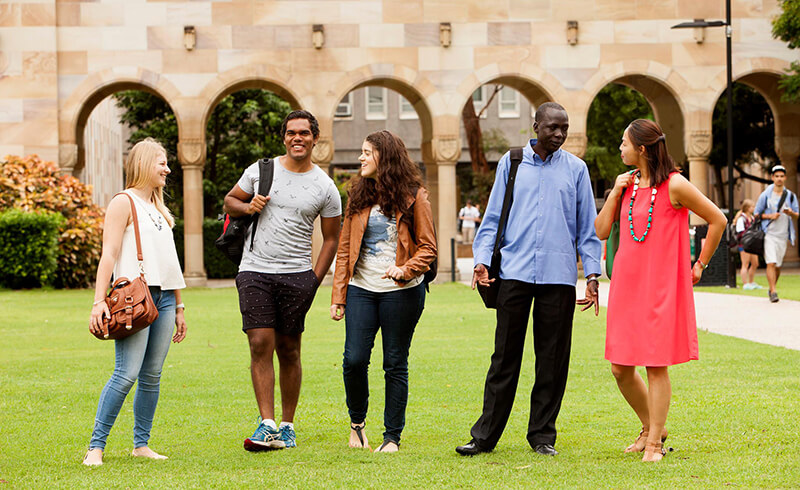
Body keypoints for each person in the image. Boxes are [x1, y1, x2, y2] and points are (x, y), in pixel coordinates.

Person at [456, 102, 602, 457]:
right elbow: (493, 217)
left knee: (552, 359)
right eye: (552, 127)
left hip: (559, 276)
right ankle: (484, 436)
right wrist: (481, 261)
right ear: (535, 125)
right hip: (514, 273)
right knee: (504, 357)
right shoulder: (513, 162)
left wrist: (594, 274)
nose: (559, 134)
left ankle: (542, 436)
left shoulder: (577, 169)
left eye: (564, 128)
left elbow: (588, 227)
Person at [595, 119, 726, 462]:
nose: (620, 149)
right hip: (626, 285)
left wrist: (700, 265)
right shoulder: (627, 184)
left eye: (624, 143)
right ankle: (650, 426)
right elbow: (601, 230)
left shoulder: (676, 184)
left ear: (641, 149)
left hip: (660, 287)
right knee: (620, 368)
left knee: (655, 364)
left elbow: (718, 220)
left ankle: (654, 443)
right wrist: (614, 192)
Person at [223, 110, 341, 451]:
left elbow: (332, 237)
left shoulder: (325, 186)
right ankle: (267, 424)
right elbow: (231, 200)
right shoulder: (261, 171)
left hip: (297, 276)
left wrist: (314, 281)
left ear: (315, 138)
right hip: (255, 270)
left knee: (289, 349)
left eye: (304, 133)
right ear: (284, 138)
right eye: (291, 133)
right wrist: (248, 207)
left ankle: (287, 426)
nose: (297, 139)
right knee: (260, 342)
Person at [330, 130, 436, 453]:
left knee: (394, 362)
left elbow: (428, 248)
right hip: (362, 287)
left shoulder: (415, 196)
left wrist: (405, 269)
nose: (360, 158)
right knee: (354, 359)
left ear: (384, 158)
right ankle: (357, 425)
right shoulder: (358, 195)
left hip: (402, 292)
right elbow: (345, 247)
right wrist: (338, 295)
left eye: (366, 152)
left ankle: (392, 437)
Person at [84, 138, 187, 466]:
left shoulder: (160, 208)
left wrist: (180, 307)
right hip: (133, 299)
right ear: (144, 164)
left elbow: (171, 262)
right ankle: (95, 448)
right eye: (162, 163)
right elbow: (109, 255)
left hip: (165, 299)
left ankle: (141, 444)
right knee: (126, 373)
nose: (167, 169)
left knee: (152, 374)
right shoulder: (123, 202)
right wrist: (99, 301)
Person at [754, 165, 799, 303]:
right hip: (769, 234)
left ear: (784, 178)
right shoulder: (765, 195)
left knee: (778, 265)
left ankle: (771, 287)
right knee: (771, 263)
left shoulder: (790, 196)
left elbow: (797, 215)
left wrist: (791, 213)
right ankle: (773, 291)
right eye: (776, 176)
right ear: (772, 178)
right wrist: (770, 216)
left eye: (781, 176)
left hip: (783, 235)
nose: (779, 179)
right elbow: (756, 214)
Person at [734, 199, 760, 290]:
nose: (754, 208)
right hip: (744, 245)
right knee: (745, 264)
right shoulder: (742, 219)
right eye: (752, 206)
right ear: (747, 208)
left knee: (755, 263)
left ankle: (751, 282)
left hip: (752, 244)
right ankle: (745, 284)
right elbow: (740, 232)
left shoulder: (752, 218)